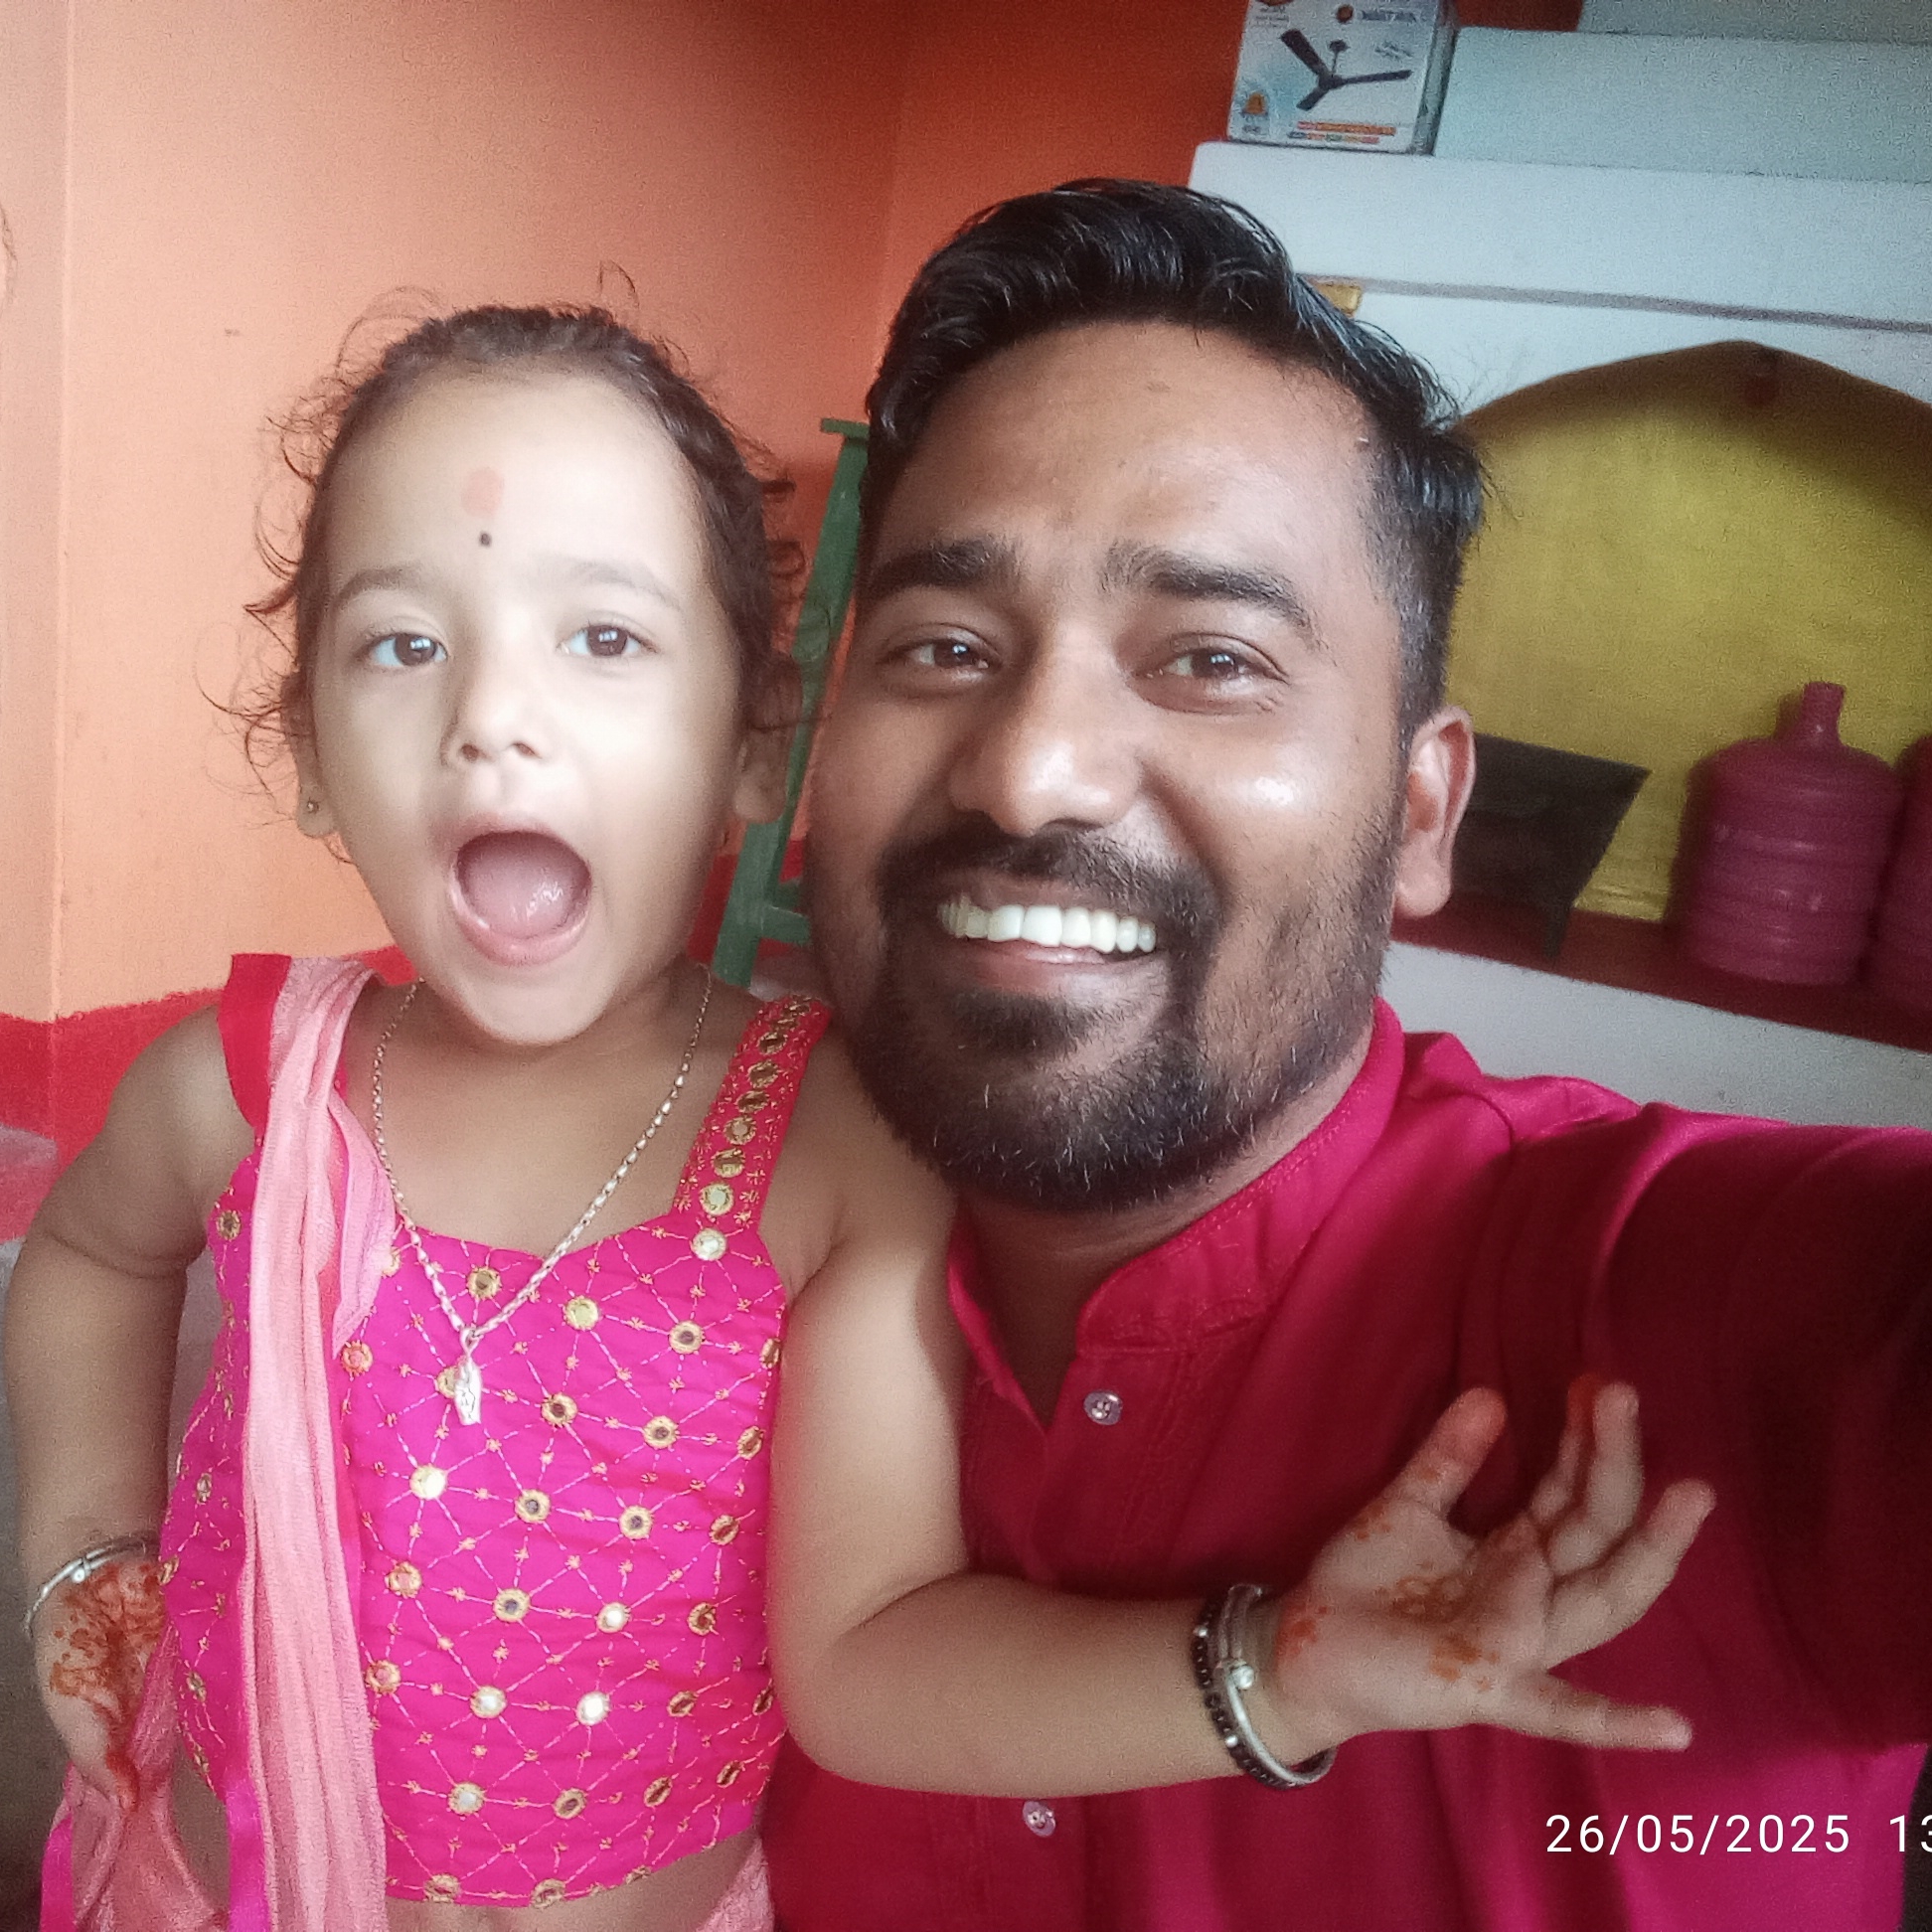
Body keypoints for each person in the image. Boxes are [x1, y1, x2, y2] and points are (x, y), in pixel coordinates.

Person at [6, 303, 1709, 1932]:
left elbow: (870, 1652)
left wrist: (1276, 1674)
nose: (493, 722)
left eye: (605, 640)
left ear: (760, 746)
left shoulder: (825, 1147)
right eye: (402, 645)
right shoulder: (247, 1082)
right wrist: (85, 1555)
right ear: (310, 750)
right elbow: (84, 1254)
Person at [772, 180, 1932, 1931]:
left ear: (1419, 811)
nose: (1029, 770)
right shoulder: (666, 1223)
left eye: (1211, 657)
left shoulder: (1693, 1318)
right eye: (945, 647)